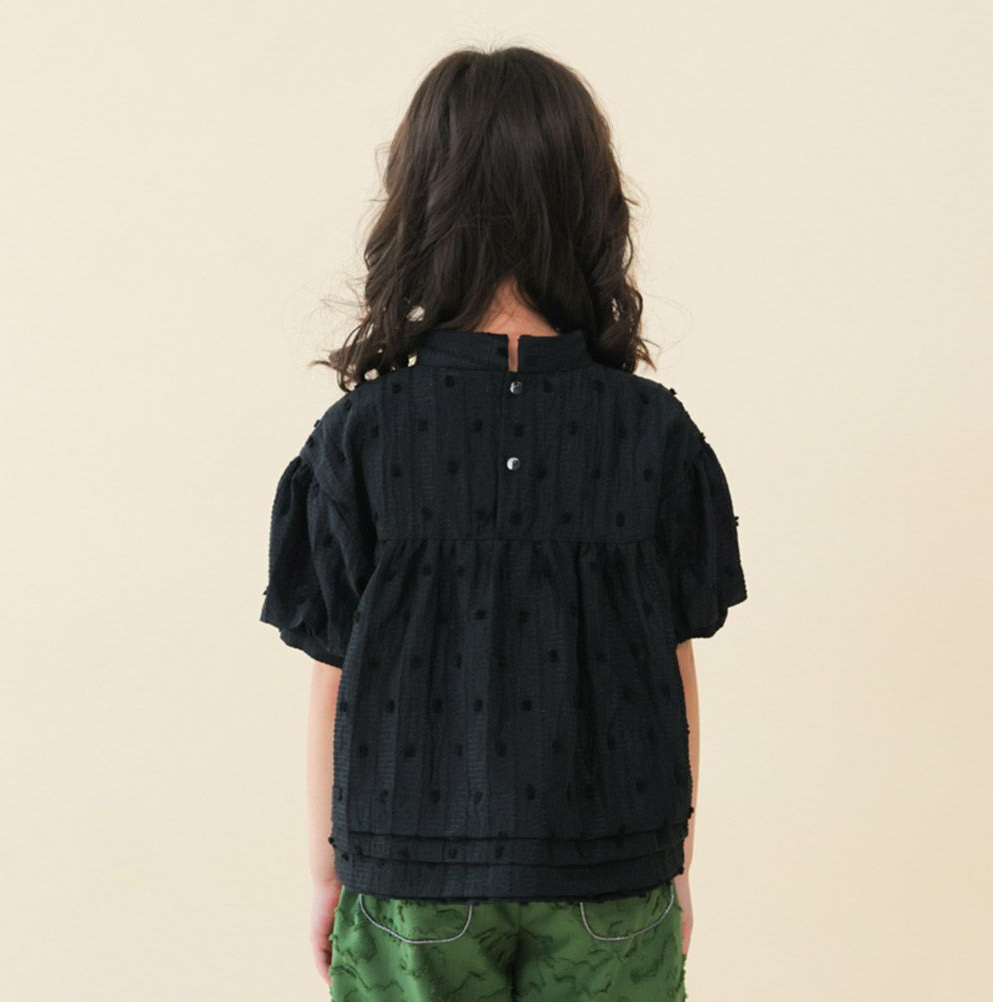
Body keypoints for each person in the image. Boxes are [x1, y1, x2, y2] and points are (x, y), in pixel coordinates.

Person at [259, 45, 747, 1002]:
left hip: (408, 871)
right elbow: (675, 664)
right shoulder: (651, 432)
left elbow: (334, 676)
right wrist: (677, 860)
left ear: (417, 206)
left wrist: (326, 872)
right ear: (591, 206)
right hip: (614, 867)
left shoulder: (363, 436)